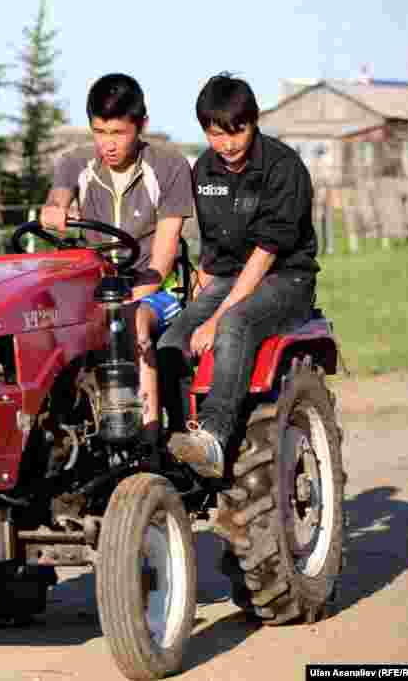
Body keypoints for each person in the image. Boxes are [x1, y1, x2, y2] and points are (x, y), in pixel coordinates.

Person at [160, 73, 320, 477]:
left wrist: (213, 319)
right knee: (170, 341)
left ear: (254, 121)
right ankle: (171, 439)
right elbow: (214, 253)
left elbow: (266, 254)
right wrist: (196, 305)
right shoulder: (205, 171)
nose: (227, 144)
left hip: (285, 279)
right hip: (233, 278)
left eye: (238, 131)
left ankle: (213, 438)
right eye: (216, 134)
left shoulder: (284, 168)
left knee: (233, 324)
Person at [41, 73, 193, 445]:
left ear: (141, 125)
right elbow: (56, 201)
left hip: (157, 289)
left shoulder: (169, 167)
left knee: (130, 321)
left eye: (118, 133)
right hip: (95, 286)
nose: (107, 144)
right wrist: (54, 212)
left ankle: (148, 438)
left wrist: (133, 296)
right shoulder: (75, 163)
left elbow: (165, 249)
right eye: (99, 132)